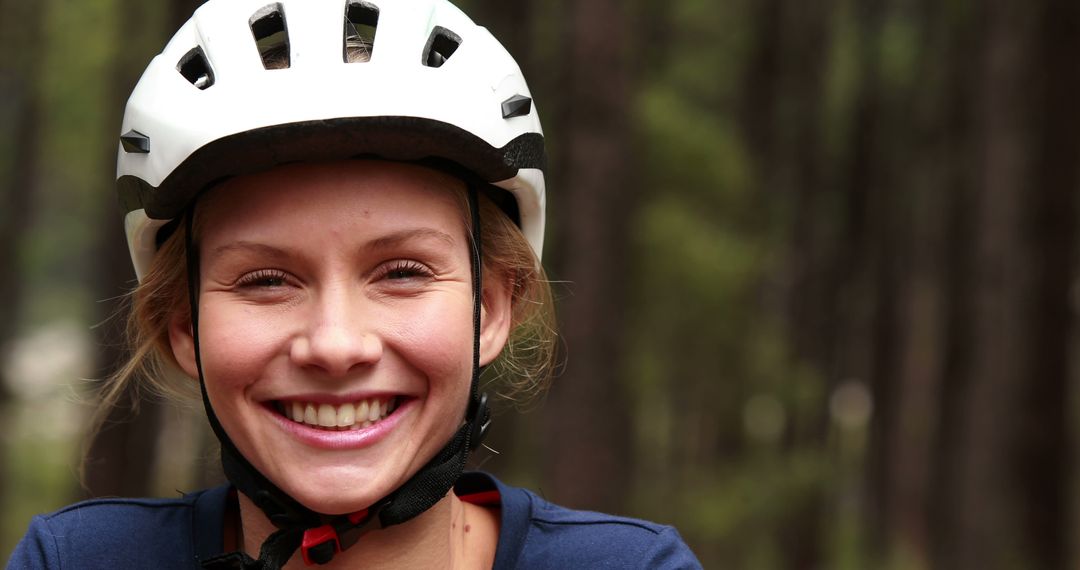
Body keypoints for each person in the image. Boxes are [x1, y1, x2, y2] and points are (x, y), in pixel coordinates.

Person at [9, 0, 701, 568]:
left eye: (402, 273)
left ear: (490, 308)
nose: (335, 346)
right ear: (183, 327)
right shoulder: (76, 559)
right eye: (266, 281)